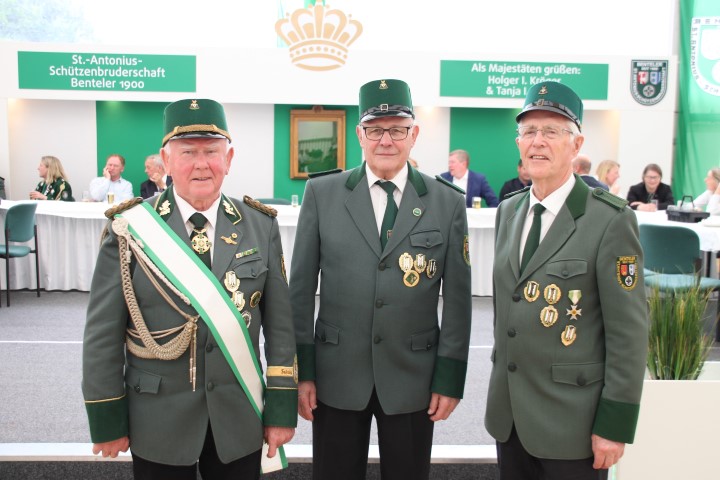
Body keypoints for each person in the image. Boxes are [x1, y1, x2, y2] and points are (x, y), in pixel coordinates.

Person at [82, 98, 297, 479]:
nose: (201, 164)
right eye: (187, 152)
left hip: (238, 414)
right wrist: (107, 417)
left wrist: (280, 409)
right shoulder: (130, 227)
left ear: (228, 159)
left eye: (211, 151)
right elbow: (102, 333)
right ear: (166, 161)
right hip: (156, 417)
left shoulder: (260, 226)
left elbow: (280, 328)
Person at [290, 79, 472, 480]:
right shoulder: (322, 193)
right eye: (375, 130)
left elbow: (459, 301)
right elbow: (299, 292)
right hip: (336, 375)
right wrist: (302, 372)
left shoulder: (446, 202)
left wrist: (449, 378)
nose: (385, 140)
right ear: (360, 135)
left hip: (413, 376)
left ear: (414, 134)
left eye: (397, 129)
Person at [486, 81, 648, 480]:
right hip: (510, 419)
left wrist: (614, 424)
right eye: (529, 131)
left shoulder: (610, 220)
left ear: (576, 145)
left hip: (574, 423)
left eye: (552, 131)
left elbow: (628, 334)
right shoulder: (508, 212)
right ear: (519, 143)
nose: (537, 142)